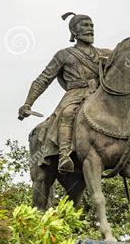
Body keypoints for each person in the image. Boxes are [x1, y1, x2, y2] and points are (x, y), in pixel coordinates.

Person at [18, 12, 110, 173]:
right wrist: (28, 103)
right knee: (68, 113)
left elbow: (125, 56)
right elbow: (43, 80)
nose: (90, 29)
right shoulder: (64, 55)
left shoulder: (104, 53)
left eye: (92, 26)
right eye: (85, 26)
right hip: (75, 95)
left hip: (98, 94)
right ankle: (64, 155)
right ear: (74, 31)